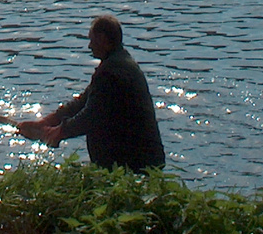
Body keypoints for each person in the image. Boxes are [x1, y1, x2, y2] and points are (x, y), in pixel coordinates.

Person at [17, 15, 164, 171]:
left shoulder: (112, 73)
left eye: (92, 40)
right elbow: (83, 102)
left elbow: (91, 116)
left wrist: (59, 132)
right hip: (140, 158)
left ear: (102, 40)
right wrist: (46, 123)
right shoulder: (117, 63)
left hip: (135, 162)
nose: (89, 46)